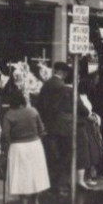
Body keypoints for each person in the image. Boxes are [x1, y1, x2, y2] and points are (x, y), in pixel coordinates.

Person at [0, 88, 50, 204]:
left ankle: (23, 202)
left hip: (17, 147)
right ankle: (36, 200)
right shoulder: (33, 111)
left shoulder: (9, 115)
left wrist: (5, 146)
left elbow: (5, 134)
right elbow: (42, 130)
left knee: (20, 174)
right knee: (35, 173)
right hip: (35, 145)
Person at [35, 62, 73, 193]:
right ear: (64, 73)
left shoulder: (47, 84)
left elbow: (40, 104)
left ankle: (50, 184)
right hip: (59, 126)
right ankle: (57, 185)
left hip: (48, 125)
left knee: (51, 155)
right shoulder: (61, 86)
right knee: (62, 156)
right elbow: (57, 107)